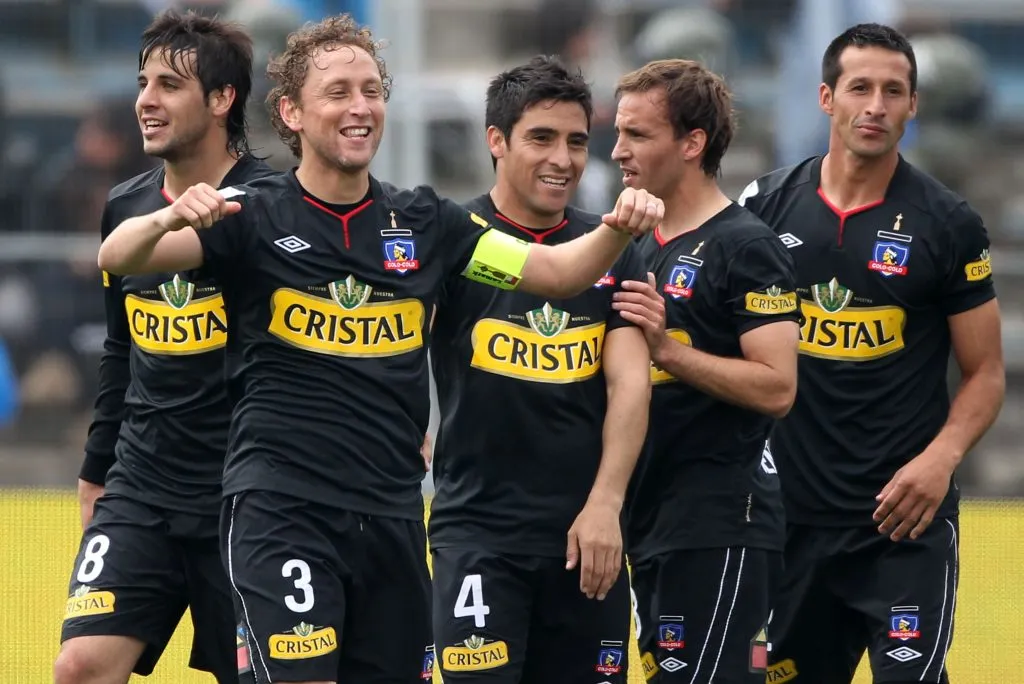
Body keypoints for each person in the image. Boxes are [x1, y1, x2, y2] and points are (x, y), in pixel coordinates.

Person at [95, 15, 664, 684]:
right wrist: (170, 214)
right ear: (292, 112)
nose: (360, 107)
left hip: (392, 517)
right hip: (283, 511)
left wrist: (618, 228)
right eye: (338, 92)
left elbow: (560, 274)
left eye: (372, 90)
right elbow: (120, 255)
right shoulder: (250, 213)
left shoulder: (429, 223)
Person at [738, 23, 1004, 684]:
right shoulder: (764, 210)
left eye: (895, 91)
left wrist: (939, 461)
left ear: (914, 106)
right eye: (861, 88)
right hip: (791, 525)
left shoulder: (949, 224)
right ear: (827, 98)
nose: (877, 106)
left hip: (904, 523)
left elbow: (986, 372)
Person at [55, 10, 275, 684]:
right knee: (80, 666)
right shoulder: (127, 207)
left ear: (221, 99)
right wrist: (98, 471)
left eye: (168, 86)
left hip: (245, 497)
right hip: (143, 488)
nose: (144, 101)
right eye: (142, 82)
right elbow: (121, 351)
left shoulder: (272, 203)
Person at [427, 55, 651, 684]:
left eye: (577, 141)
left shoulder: (611, 246)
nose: (563, 158)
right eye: (541, 138)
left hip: (588, 540)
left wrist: (606, 505)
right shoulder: (456, 237)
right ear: (496, 141)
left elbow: (629, 383)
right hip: (477, 533)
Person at [608, 59, 801, 682]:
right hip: (648, 516)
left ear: (692, 144)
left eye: (637, 135)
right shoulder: (636, 244)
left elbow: (778, 387)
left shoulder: (748, 246)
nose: (618, 152)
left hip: (720, 521)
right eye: (619, 133)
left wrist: (670, 352)